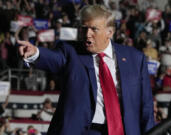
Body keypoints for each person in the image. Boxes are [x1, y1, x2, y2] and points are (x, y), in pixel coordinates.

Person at [17, 4, 154, 135]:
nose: (87, 34)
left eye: (94, 29)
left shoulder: (135, 59)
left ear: (109, 32)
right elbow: (54, 59)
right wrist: (35, 52)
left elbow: (146, 106)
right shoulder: (70, 52)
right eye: (84, 28)